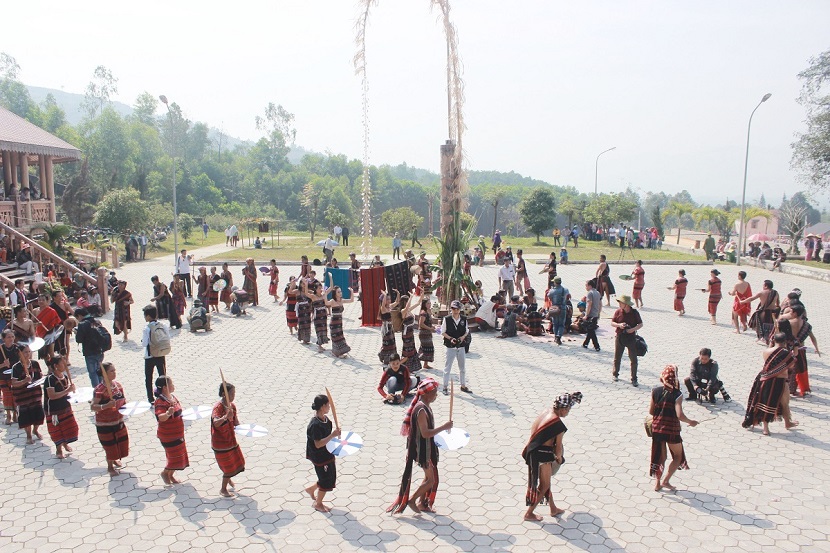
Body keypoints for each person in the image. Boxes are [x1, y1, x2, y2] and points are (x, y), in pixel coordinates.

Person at [387, 378, 453, 514]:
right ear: (426, 394)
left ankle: (422, 504)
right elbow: (425, 433)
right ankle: (412, 500)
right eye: (434, 392)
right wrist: (444, 427)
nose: (436, 395)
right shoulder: (421, 410)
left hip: (427, 448)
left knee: (428, 477)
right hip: (422, 450)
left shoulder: (425, 405)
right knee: (431, 480)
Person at [522, 391, 582, 521]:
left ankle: (553, 509)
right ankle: (529, 513)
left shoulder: (546, 412)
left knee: (546, 481)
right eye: (568, 410)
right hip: (542, 456)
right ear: (564, 408)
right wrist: (559, 459)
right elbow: (558, 449)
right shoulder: (558, 425)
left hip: (531, 450)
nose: (568, 413)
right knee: (544, 486)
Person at [650, 365, 698, 491]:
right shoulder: (678, 394)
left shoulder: (655, 391)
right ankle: (666, 481)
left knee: (661, 457)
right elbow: (679, 415)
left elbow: (651, 411)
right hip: (672, 431)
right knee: (678, 456)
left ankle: (657, 483)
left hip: (657, 429)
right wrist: (691, 421)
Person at [742, 333, 799, 435]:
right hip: (779, 381)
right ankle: (771, 427)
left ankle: (784, 423)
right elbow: (791, 366)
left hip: (765, 379)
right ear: (785, 342)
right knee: (781, 403)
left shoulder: (766, 351)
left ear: (774, 340)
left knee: (766, 403)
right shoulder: (787, 353)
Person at [91, 362, 128, 476]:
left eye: (114, 370)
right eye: (111, 371)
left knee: (120, 443)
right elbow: (93, 407)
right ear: (104, 374)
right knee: (110, 446)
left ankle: (115, 458)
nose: (114, 373)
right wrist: (106, 406)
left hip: (118, 420)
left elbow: (123, 400)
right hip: (105, 423)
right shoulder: (99, 389)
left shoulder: (118, 385)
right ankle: (110, 467)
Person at [305, 394, 341, 512]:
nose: (329, 407)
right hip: (319, 456)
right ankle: (318, 503)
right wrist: (332, 435)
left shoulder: (326, 420)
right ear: (322, 407)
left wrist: (336, 437)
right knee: (326, 480)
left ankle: (312, 489)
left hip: (327, 454)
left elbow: (328, 439)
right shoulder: (315, 425)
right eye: (327, 405)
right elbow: (318, 444)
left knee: (328, 477)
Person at [777, 304, 820, 397]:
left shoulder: (788, 323)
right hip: (800, 350)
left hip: (788, 349)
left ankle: (784, 389)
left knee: (787, 370)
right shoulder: (807, 325)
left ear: (795, 313)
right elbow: (812, 337)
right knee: (799, 370)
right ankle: (797, 389)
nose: (790, 313)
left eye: (791, 311)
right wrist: (817, 348)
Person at [154, 375, 188, 485]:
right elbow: (160, 417)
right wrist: (168, 413)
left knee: (179, 456)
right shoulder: (160, 402)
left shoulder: (172, 397)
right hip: (168, 436)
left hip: (178, 433)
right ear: (164, 387)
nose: (173, 386)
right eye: (171, 384)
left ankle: (171, 475)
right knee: (174, 457)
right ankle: (165, 473)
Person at [42, 354, 78, 458]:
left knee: (69, 427)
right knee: (57, 430)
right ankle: (59, 450)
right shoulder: (50, 379)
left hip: (65, 407)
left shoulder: (65, 377)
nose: (65, 364)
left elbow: (67, 393)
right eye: (62, 363)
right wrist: (68, 390)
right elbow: (52, 396)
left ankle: (65, 443)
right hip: (54, 410)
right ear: (55, 366)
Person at [211, 383, 244, 497]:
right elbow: (216, 422)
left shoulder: (232, 406)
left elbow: (236, 422)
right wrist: (225, 417)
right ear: (224, 394)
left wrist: (245, 430)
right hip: (221, 443)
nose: (233, 396)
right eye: (231, 393)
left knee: (238, 462)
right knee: (228, 466)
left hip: (231, 440)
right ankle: (223, 489)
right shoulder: (218, 408)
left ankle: (228, 477)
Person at [10, 343, 43, 444]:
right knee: (26, 417)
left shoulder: (35, 363)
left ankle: (35, 430)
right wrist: (24, 381)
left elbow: (39, 375)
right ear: (19, 354)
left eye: (29, 352)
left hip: (35, 394)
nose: (28, 354)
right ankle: (28, 435)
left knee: (38, 415)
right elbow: (14, 383)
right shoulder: (16, 368)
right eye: (25, 352)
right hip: (23, 396)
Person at [611, 295, 643, 386]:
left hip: (631, 338)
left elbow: (640, 324)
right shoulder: (618, 312)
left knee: (633, 359)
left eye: (621, 303)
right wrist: (619, 325)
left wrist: (632, 329)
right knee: (617, 357)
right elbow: (612, 322)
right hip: (620, 336)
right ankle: (615, 374)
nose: (619, 304)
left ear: (626, 304)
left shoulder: (634, 313)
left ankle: (634, 378)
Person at [441, 300, 471, 395]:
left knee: (462, 368)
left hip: (461, 347)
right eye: (454, 309)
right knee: (447, 368)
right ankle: (445, 387)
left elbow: (466, 331)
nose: (455, 311)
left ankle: (463, 385)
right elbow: (443, 331)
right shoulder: (447, 319)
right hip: (450, 347)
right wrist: (450, 338)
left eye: (457, 309)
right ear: (451, 309)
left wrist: (462, 337)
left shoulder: (463, 319)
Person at [141, 305, 169, 404]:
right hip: (161, 354)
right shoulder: (163, 325)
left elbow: (144, 344)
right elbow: (167, 338)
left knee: (149, 378)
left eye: (145, 315)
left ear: (148, 316)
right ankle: (165, 394)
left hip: (150, 356)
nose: (144, 317)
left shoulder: (147, 328)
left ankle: (151, 398)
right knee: (163, 376)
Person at [74, 309, 106, 387]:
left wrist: (76, 333)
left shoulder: (82, 324)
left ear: (80, 316)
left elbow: (79, 339)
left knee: (93, 373)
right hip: (100, 350)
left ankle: (97, 391)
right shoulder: (97, 321)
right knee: (100, 371)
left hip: (89, 352)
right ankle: (103, 389)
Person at [741, 279, 779, 344]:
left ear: (766, 286)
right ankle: (769, 338)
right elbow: (778, 303)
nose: (763, 286)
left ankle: (761, 337)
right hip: (772, 312)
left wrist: (742, 302)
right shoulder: (775, 293)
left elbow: (751, 298)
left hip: (764, 312)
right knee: (771, 325)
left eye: (763, 285)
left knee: (760, 325)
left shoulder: (762, 292)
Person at [327, 285, 354, 358]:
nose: (340, 293)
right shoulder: (332, 301)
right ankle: (337, 353)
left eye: (340, 291)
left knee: (340, 337)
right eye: (338, 292)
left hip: (339, 323)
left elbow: (351, 300)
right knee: (336, 338)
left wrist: (352, 292)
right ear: (335, 293)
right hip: (334, 323)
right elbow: (326, 303)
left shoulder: (342, 300)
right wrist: (325, 294)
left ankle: (337, 352)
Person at [0, 330, 19, 424]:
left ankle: (15, 415)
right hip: (2, 376)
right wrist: (3, 364)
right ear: (3, 339)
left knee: (15, 395)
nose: (11, 339)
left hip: (14, 375)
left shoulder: (17, 348)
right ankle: (8, 415)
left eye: (12, 336)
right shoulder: (0, 349)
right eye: (8, 337)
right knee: (7, 395)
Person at [306, 281, 332, 353]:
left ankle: (322, 344)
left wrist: (330, 278)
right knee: (319, 330)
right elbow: (306, 293)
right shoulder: (313, 296)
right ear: (316, 289)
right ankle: (319, 346)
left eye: (321, 288)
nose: (321, 289)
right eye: (319, 288)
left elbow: (331, 287)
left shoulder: (323, 295)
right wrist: (306, 284)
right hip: (317, 316)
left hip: (323, 315)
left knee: (324, 329)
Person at [378, 290, 401, 366]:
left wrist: (398, 293)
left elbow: (397, 302)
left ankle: (390, 357)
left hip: (390, 327)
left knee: (392, 342)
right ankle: (383, 355)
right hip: (386, 328)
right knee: (387, 343)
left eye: (389, 299)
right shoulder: (383, 308)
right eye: (387, 299)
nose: (389, 300)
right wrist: (384, 295)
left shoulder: (390, 306)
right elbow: (383, 303)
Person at [582, 279, 601, 351]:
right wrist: (598, 313)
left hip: (591, 314)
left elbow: (589, 304)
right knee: (591, 330)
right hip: (595, 314)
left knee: (591, 331)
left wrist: (586, 315)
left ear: (590, 286)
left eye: (586, 285)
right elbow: (600, 304)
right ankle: (586, 343)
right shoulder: (597, 293)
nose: (585, 287)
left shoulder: (590, 293)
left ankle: (597, 346)